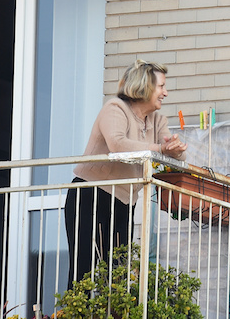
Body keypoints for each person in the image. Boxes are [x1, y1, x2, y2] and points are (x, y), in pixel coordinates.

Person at [64, 59, 187, 287]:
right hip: (91, 196)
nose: (165, 93)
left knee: (117, 274)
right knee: (84, 269)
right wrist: (161, 149)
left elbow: (171, 154)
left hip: (123, 203)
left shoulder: (158, 120)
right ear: (144, 86)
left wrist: (176, 150)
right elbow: (118, 145)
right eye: (161, 87)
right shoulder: (115, 108)